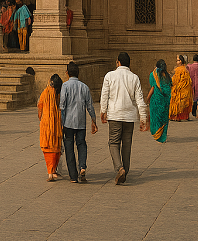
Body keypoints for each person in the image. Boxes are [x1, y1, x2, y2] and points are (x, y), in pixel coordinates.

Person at [100, 51, 149, 185]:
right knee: (127, 145)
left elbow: (104, 95)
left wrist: (103, 111)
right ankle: (125, 171)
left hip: (114, 114)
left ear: (118, 62)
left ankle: (119, 168)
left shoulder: (110, 75)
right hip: (129, 116)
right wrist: (143, 118)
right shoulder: (134, 78)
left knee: (114, 143)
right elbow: (140, 99)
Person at [60, 61, 98, 183]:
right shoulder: (84, 87)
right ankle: (82, 166)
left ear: (67, 73)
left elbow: (62, 106)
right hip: (81, 122)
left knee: (69, 147)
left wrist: (61, 122)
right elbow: (90, 106)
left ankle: (73, 176)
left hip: (68, 122)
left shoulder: (65, 86)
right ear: (78, 73)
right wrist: (93, 120)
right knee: (81, 144)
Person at [38, 73, 64, 181]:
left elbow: (40, 107)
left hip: (45, 124)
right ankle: (53, 171)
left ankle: (50, 172)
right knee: (56, 148)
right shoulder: (59, 94)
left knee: (47, 148)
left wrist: (41, 117)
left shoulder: (44, 92)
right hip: (56, 124)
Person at [146, 59, 172, 142]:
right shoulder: (167, 75)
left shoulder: (153, 75)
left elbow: (153, 87)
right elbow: (170, 86)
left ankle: (157, 135)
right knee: (164, 118)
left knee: (156, 118)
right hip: (166, 100)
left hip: (156, 100)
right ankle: (163, 136)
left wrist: (147, 98)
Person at [169, 54, 193, 121]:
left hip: (181, 90)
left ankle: (178, 116)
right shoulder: (184, 69)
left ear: (181, 61)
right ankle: (180, 116)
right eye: (177, 60)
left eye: (178, 60)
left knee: (179, 103)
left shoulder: (180, 70)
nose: (177, 62)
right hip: (180, 90)